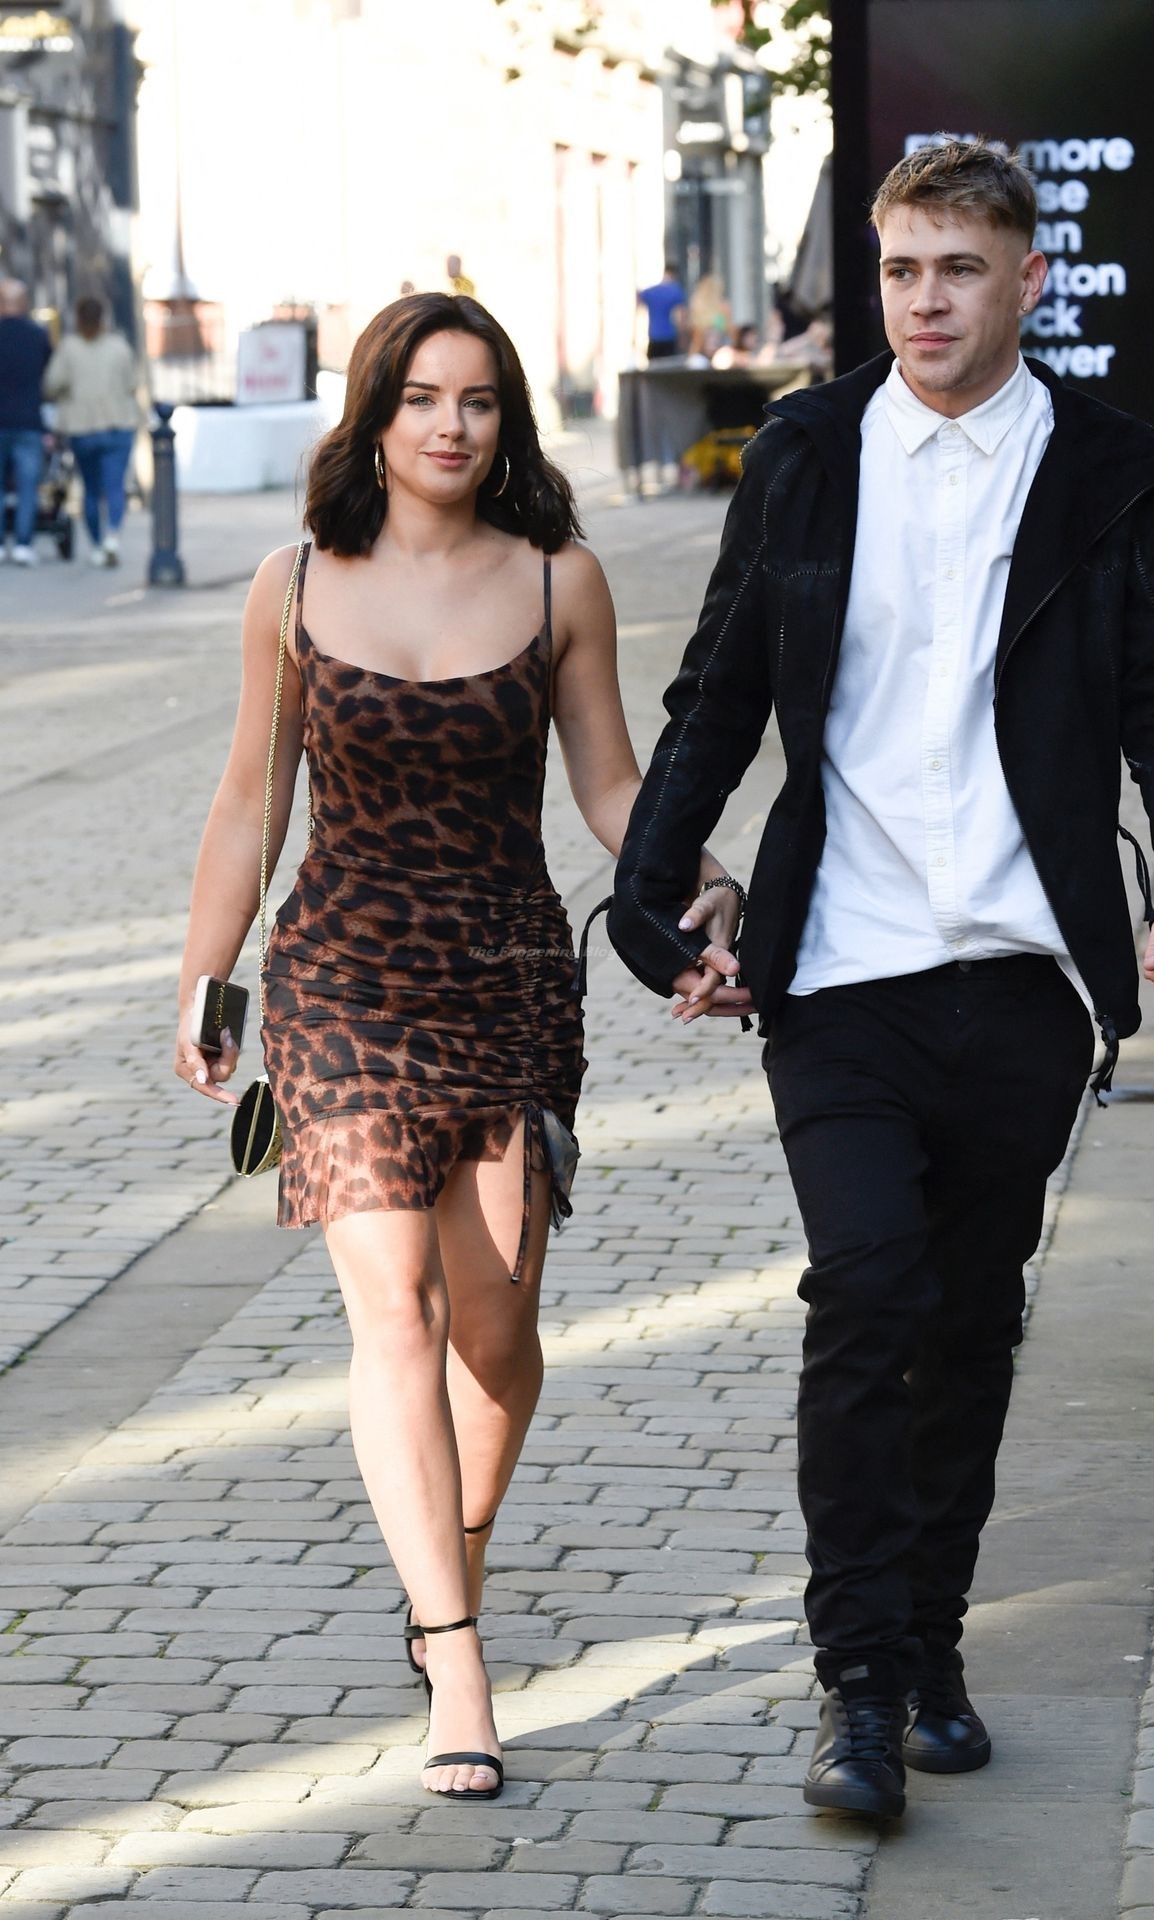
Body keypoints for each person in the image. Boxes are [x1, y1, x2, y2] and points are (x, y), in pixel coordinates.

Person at [608, 139, 1154, 1820]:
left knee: (970, 1320)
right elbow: (718, 686)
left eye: (959, 271)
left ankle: (930, 1646)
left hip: (1026, 973)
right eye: (901, 270)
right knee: (869, 1291)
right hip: (840, 966)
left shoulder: (1107, 468)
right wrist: (646, 897)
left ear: (1026, 283)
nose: (924, 303)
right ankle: (855, 1686)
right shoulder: (808, 453)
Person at [173, 293, 739, 1803]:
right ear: (374, 416)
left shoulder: (559, 580)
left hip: (505, 982)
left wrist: (701, 885)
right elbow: (249, 802)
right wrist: (207, 980)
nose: (450, 426)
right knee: (398, 1310)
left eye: (478, 401)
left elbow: (612, 787)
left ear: (508, 422)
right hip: (340, 980)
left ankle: (451, 1560)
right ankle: (457, 1649)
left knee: (494, 1335)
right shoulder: (295, 583)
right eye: (422, 398)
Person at [44, 295, 140, 566]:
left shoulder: (69, 348)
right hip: (118, 424)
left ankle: (97, 545)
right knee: (115, 487)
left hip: (83, 428)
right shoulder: (119, 346)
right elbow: (132, 383)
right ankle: (112, 537)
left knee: (90, 490)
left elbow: (51, 384)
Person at [0, 279, 52, 567]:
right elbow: (49, 376)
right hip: (29, 420)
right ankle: (23, 544)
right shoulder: (38, 335)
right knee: (27, 487)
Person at [638, 261, 687, 362]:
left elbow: (639, 302)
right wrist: (682, 335)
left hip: (654, 336)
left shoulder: (651, 291)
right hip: (669, 336)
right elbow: (681, 315)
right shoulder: (676, 291)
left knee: (653, 366)